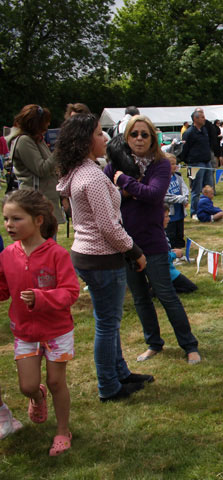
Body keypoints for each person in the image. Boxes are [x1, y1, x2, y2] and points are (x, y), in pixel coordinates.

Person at [55, 114, 150, 402]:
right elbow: (107, 226)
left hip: (88, 254)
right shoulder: (92, 177)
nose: (105, 139)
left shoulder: (78, 172)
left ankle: (120, 372)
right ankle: (109, 386)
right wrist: (134, 251)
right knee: (107, 324)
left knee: (109, 322)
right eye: (98, 134)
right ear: (85, 141)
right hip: (100, 257)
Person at [104, 115, 201, 365]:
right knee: (140, 297)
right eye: (134, 134)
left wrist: (124, 183)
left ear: (152, 138)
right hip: (124, 241)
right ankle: (153, 343)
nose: (139, 138)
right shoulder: (116, 163)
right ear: (126, 137)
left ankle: (190, 345)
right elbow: (107, 197)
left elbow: (155, 194)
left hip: (152, 240)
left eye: (144, 134)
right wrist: (132, 190)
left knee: (166, 294)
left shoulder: (159, 164)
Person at [0, 189, 79, 455]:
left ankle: (62, 431)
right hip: (24, 332)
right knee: (28, 386)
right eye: (6, 219)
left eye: (16, 219)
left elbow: (71, 292)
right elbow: (2, 289)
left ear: (38, 220)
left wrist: (41, 298)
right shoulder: (6, 255)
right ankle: (37, 397)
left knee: (57, 383)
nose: (9, 225)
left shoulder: (57, 254)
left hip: (57, 331)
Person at [5, 104, 65, 229]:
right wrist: (59, 151)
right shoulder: (24, 141)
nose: (48, 124)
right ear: (36, 123)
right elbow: (41, 169)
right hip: (36, 201)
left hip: (45, 198)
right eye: (45, 121)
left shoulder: (36, 139)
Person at [181, 109, 214, 217]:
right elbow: (184, 149)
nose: (204, 119)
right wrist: (187, 162)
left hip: (206, 162)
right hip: (195, 163)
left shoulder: (204, 130)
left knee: (208, 188)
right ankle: (194, 212)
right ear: (195, 119)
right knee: (196, 189)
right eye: (202, 117)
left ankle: (207, 209)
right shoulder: (189, 133)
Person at [162, 205, 197, 294]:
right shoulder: (157, 236)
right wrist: (175, 254)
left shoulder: (162, 232)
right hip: (166, 273)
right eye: (166, 216)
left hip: (170, 270)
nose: (169, 219)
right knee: (191, 288)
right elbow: (160, 258)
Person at [164, 153, 189, 248]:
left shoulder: (178, 176)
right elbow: (165, 196)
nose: (175, 166)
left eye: (175, 163)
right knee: (171, 235)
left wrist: (185, 197)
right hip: (170, 213)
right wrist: (180, 199)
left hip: (180, 212)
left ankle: (181, 253)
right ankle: (173, 254)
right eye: (172, 164)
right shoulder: (162, 179)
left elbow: (185, 188)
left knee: (180, 233)